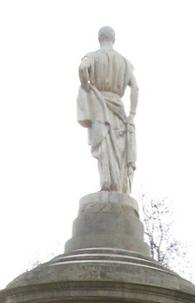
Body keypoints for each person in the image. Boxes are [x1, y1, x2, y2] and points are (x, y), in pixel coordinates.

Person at [76, 26, 138, 194]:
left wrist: (86, 85)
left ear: (99, 38)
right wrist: (132, 114)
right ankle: (117, 187)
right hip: (118, 107)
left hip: (99, 105)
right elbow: (135, 87)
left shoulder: (92, 57)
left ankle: (107, 183)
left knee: (105, 146)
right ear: (114, 39)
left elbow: (82, 68)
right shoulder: (124, 62)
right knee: (119, 149)